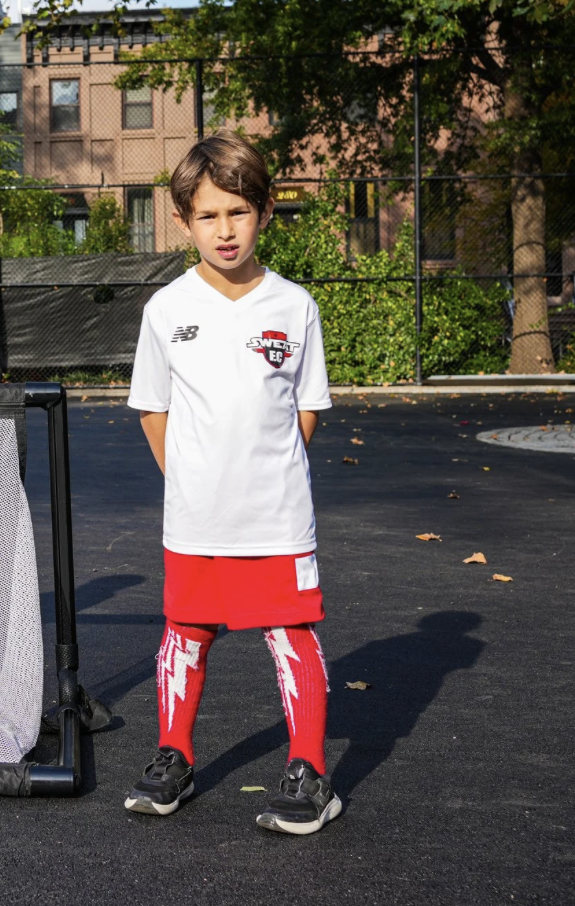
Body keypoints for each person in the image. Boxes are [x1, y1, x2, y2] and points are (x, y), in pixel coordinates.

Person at [123, 130, 340, 835]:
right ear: (184, 221)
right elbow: (153, 412)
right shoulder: (166, 310)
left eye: (238, 212)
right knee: (184, 633)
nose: (225, 229)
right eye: (209, 215)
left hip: (277, 517)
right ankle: (173, 756)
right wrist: (192, 478)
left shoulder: (294, 306)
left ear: (265, 212)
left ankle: (309, 771)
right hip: (194, 519)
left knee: (290, 633)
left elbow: (305, 411)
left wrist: (263, 476)